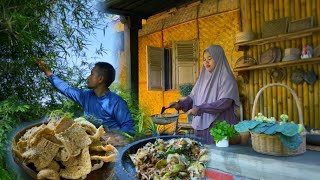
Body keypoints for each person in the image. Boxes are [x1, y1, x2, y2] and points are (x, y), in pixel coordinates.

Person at [36, 60, 135, 135]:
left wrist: (114, 137)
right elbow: (66, 89)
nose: (88, 77)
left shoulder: (116, 102)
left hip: (113, 149)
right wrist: (46, 71)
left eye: (92, 74)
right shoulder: (85, 96)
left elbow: (130, 128)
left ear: (100, 79)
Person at [169, 45, 240, 144]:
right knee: (203, 155)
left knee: (220, 156)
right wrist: (180, 104)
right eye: (204, 59)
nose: (206, 62)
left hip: (219, 125)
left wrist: (201, 108)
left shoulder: (227, 78)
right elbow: (193, 97)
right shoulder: (202, 79)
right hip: (202, 127)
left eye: (210, 59)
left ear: (218, 58)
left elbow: (224, 102)